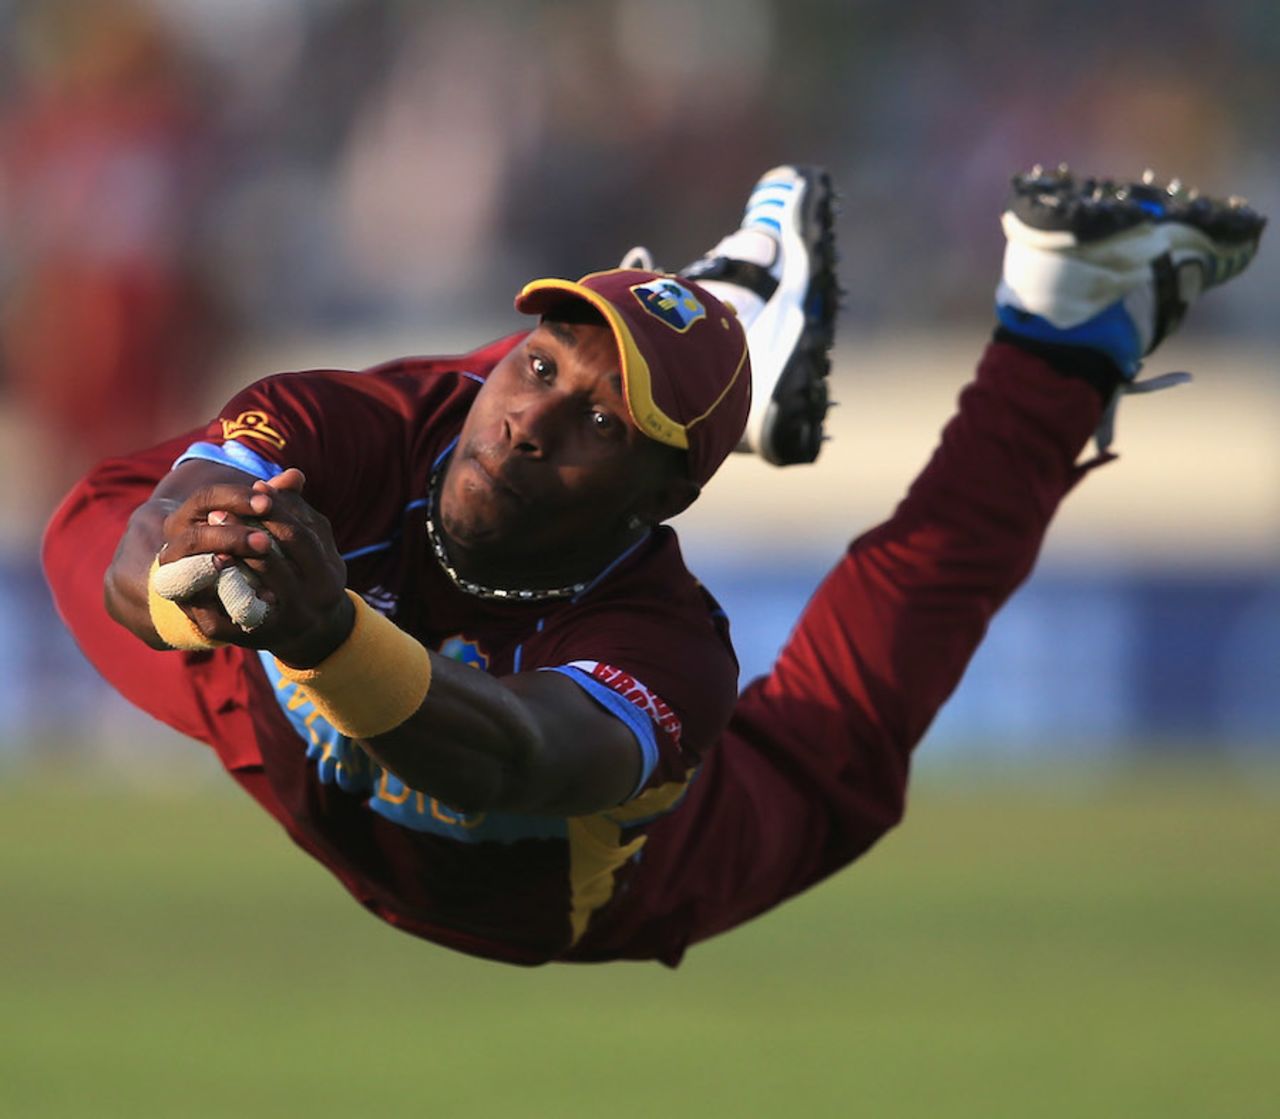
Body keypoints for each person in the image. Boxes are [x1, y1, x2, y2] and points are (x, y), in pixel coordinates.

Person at [43, 164, 1264, 967]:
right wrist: (192, 573)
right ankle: (724, 304)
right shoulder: (372, 418)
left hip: (580, 890)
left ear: (669, 494)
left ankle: (1063, 329)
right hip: (260, 703)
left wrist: (319, 636)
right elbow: (142, 535)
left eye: (602, 423)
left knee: (854, 711)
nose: (531, 418)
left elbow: (508, 760)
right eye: (537, 362)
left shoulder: (665, 647)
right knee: (92, 518)